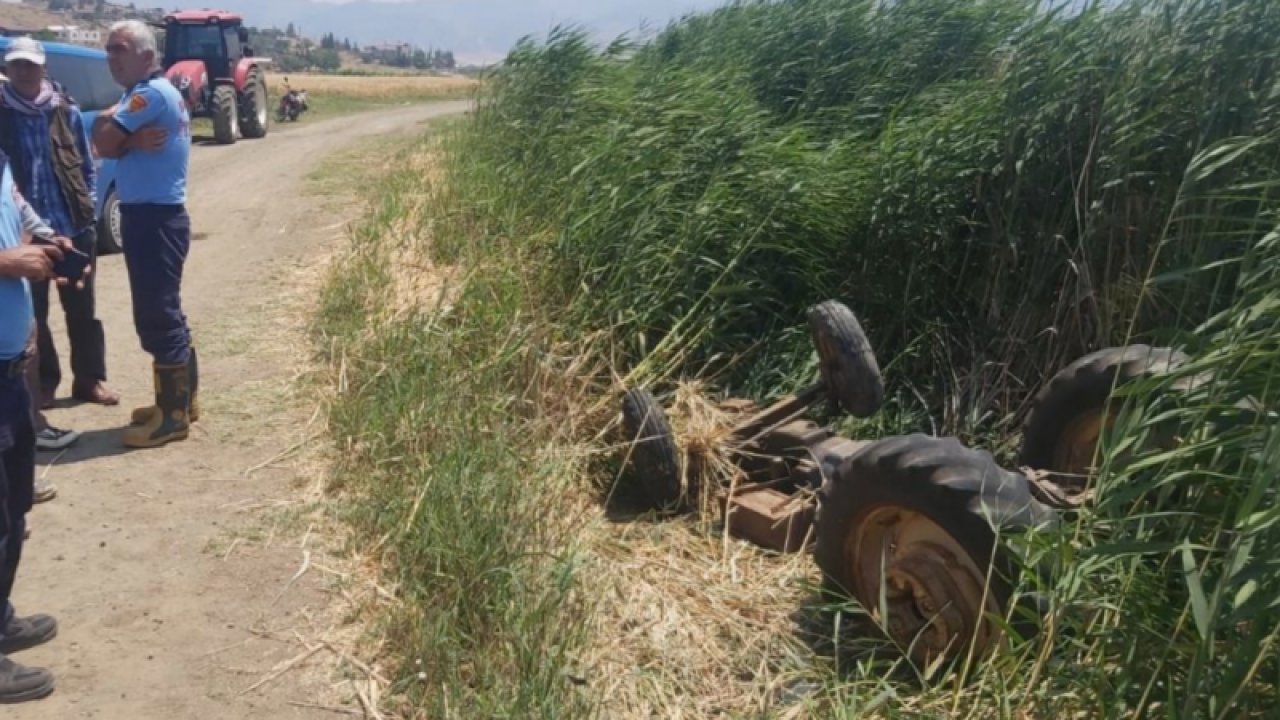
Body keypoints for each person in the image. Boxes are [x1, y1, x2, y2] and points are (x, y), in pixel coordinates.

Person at [92, 20, 197, 449]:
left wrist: (119, 136)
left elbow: (100, 142)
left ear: (147, 57)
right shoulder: (149, 94)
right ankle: (181, 402)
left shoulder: (148, 94)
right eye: (108, 49)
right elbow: (108, 136)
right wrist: (127, 139)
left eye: (119, 48)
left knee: (157, 315)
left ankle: (171, 419)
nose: (110, 57)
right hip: (159, 216)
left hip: (152, 219)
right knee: (167, 310)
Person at [0, 38, 119, 411]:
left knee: (83, 309)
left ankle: (89, 380)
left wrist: (87, 213)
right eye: (17, 64)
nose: (23, 71)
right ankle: (45, 384)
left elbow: (87, 165)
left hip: (73, 225)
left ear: (43, 67)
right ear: (8, 67)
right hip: (27, 235)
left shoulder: (64, 110)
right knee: (35, 316)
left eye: (30, 64)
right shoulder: (2, 113)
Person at [0, 146, 73, 704]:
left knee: (15, 505)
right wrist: (7, 261)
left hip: (9, 368)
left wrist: (46, 242)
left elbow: (17, 209)